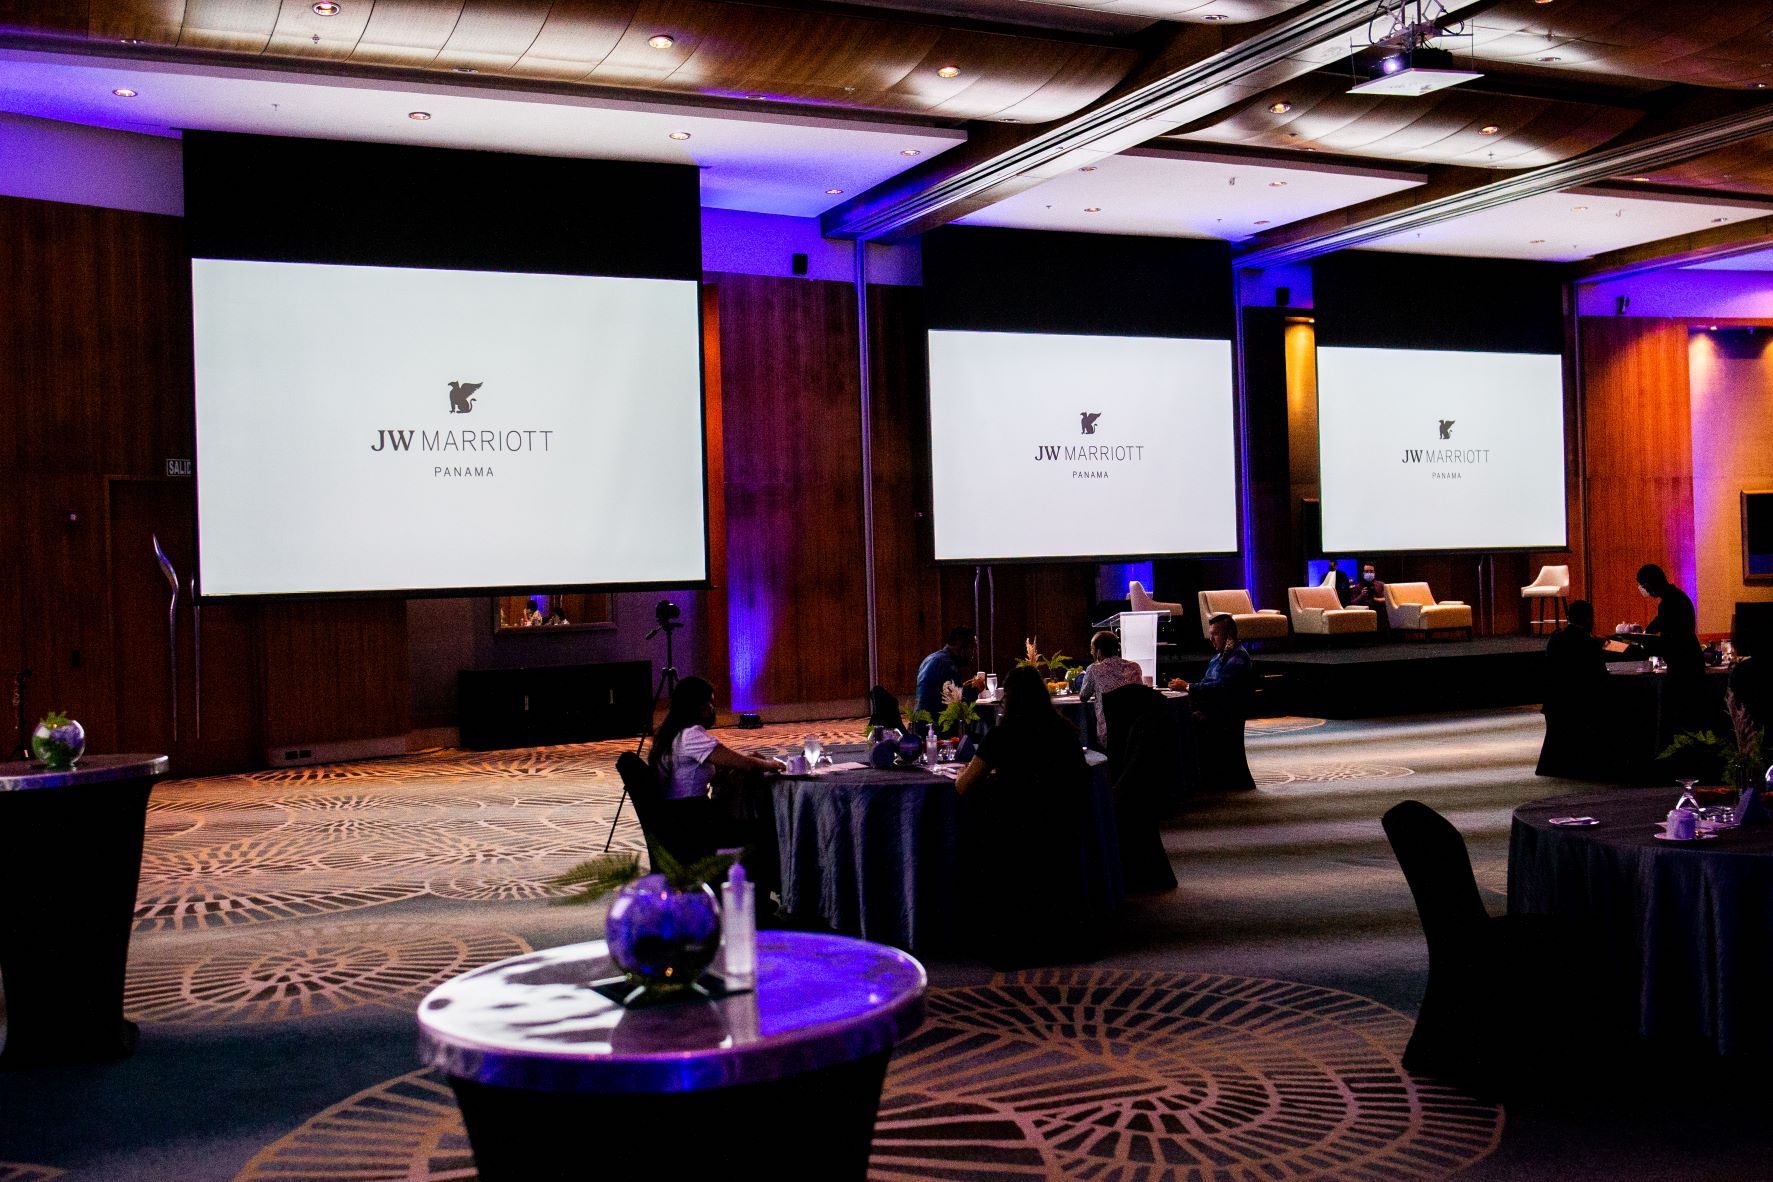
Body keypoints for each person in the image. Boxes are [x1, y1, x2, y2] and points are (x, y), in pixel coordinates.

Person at [954, 665, 1096, 964]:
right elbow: (1082, 778)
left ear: (1010, 698)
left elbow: (964, 785)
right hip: (1060, 827)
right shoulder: (1065, 731)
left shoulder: (1002, 735)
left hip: (1014, 828)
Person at [647, 676, 784, 875]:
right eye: (710, 703)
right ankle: (761, 888)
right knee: (763, 833)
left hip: (680, 817)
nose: (713, 709)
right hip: (693, 822)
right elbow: (745, 764)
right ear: (699, 706)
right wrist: (772, 764)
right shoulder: (690, 735)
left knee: (750, 820)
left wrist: (745, 763)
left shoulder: (671, 734)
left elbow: (722, 765)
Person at [1169, 613, 1256, 791]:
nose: (1211, 639)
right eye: (1210, 634)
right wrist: (1188, 687)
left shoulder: (1238, 658)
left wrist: (1188, 686)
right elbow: (1207, 684)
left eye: (1215, 634)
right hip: (1212, 708)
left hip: (1225, 714)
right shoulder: (1217, 658)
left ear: (1228, 635)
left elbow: (1221, 687)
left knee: (1182, 723)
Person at [1536, 600, 1608, 778]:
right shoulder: (1589, 644)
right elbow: (1599, 675)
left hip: (1554, 701)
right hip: (1578, 702)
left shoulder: (1555, 638)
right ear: (1589, 619)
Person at [1076, 629, 1145, 749]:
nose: (1091, 652)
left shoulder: (1094, 669)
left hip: (1109, 734)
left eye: (1092, 649)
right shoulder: (1135, 667)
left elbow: (1083, 696)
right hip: (1136, 730)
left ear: (1098, 651)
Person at [916, 625, 987, 719]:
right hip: (936, 724)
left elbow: (939, 696)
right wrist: (976, 690)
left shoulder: (930, 659)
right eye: (972, 648)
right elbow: (958, 709)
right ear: (962, 648)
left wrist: (963, 689)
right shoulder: (949, 666)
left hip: (920, 722)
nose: (973, 654)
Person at [1347, 562, 1388, 629]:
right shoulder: (1357, 587)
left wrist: (1376, 599)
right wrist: (1361, 595)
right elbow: (1352, 603)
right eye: (1366, 571)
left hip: (1380, 614)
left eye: (1371, 571)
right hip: (1364, 615)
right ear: (1363, 573)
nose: (1369, 573)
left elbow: (1388, 600)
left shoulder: (1381, 585)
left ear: (1374, 573)